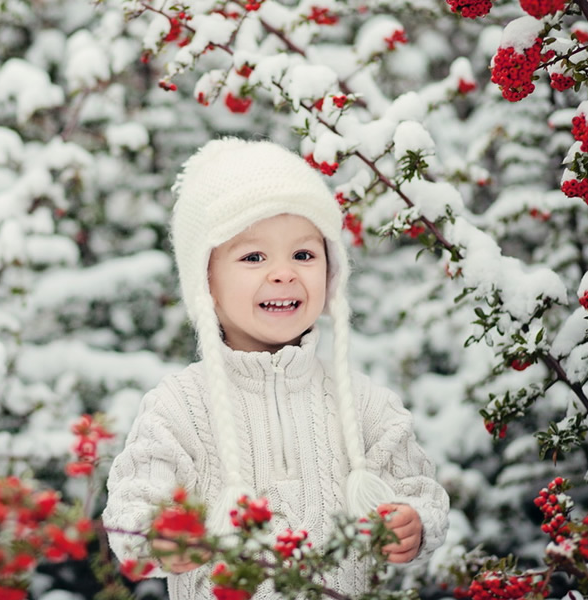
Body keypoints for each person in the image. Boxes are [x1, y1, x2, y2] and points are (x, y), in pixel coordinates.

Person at [102, 137, 449, 599]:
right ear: (206, 281)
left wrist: (414, 521)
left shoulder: (364, 403)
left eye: (303, 255)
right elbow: (131, 506)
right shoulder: (179, 407)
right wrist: (157, 535)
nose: (283, 273)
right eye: (253, 257)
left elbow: (419, 488)